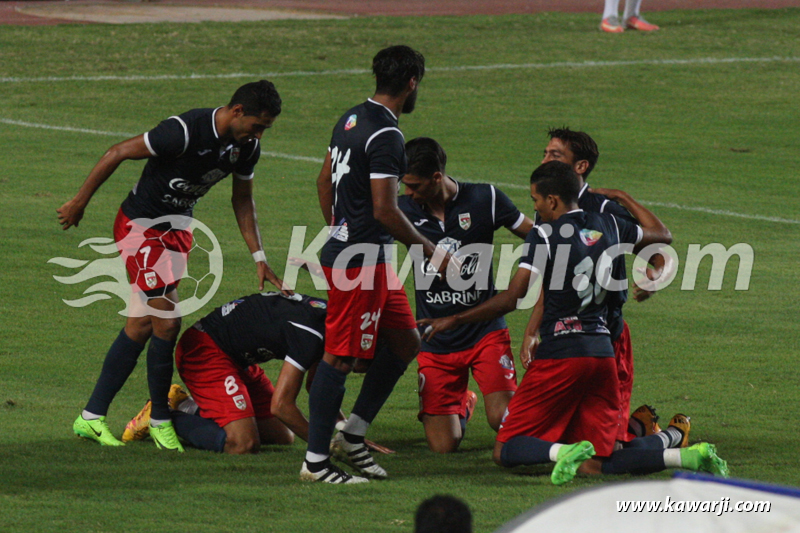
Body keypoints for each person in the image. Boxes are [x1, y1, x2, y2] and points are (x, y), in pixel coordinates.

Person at [419, 161, 728, 485]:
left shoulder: (544, 234)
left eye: (536, 200)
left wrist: (455, 319)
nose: (535, 207)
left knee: (505, 449)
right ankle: (687, 455)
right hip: (601, 353)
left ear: (552, 200)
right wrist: (624, 198)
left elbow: (512, 298)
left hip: (561, 354)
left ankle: (561, 452)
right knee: (596, 463)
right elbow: (660, 235)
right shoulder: (610, 224)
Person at [58, 80, 288, 451]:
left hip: (176, 232)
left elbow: (243, 200)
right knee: (167, 322)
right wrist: (79, 202)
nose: (259, 135)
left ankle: (91, 417)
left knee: (140, 324)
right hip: (141, 227)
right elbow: (117, 151)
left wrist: (259, 256)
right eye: (258, 125)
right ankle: (161, 419)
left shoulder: (247, 148)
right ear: (238, 111)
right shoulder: (183, 131)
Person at [303, 45, 450, 484]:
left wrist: (337, 226)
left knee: (405, 342)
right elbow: (386, 210)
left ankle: (353, 436)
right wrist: (429, 248)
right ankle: (315, 462)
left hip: (365, 254)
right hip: (360, 259)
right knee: (340, 357)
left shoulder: (349, 118)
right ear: (412, 83)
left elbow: (323, 178)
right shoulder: (387, 136)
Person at [535, 127, 689, 452]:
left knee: (606, 451)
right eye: (545, 153)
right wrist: (535, 330)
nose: (545, 159)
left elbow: (660, 248)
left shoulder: (600, 207)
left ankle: (669, 436)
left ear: (580, 167)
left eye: (555, 155)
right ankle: (638, 424)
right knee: (566, 439)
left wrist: (653, 278)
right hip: (560, 334)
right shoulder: (545, 205)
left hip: (605, 334)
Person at [398, 137, 533, 453]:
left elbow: (536, 235)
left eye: (414, 186)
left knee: (503, 420)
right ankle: (465, 401)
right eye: (404, 185)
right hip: (435, 337)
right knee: (444, 446)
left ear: (436, 178)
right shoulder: (401, 210)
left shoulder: (485, 198)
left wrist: (531, 270)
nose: (408, 193)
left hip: (484, 330)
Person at [122, 292, 324, 454]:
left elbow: (315, 385)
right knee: (243, 444)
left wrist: (342, 429)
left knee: (283, 435)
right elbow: (281, 406)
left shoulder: (329, 321)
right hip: (206, 351)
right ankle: (161, 414)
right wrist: (326, 446)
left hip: (239, 358)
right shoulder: (311, 334)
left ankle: (185, 404)